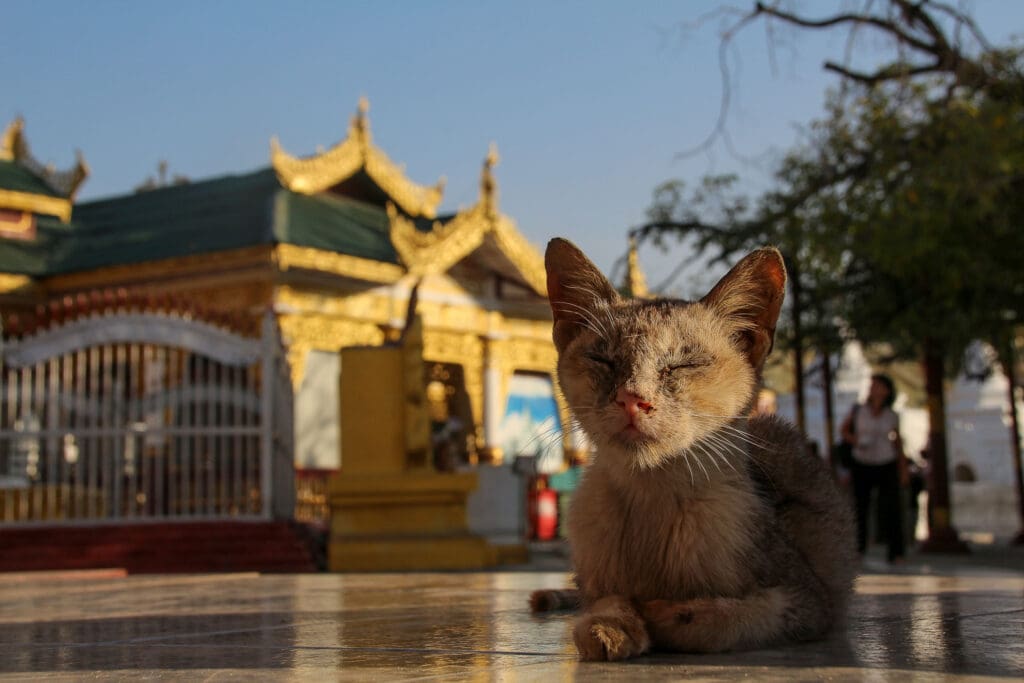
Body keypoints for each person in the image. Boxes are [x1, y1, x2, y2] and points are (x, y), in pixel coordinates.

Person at [839, 373, 909, 564]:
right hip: (862, 462)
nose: (873, 389)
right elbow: (843, 430)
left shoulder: (891, 415)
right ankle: (859, 550)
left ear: (886, 391)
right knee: (861, 507)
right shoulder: (858, 410)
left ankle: (896, 552)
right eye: (872, 385)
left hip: (886, 462)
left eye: (877, 385)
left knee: (891, 508)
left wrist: (903, 469)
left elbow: (898, 442)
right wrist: (856, 441)